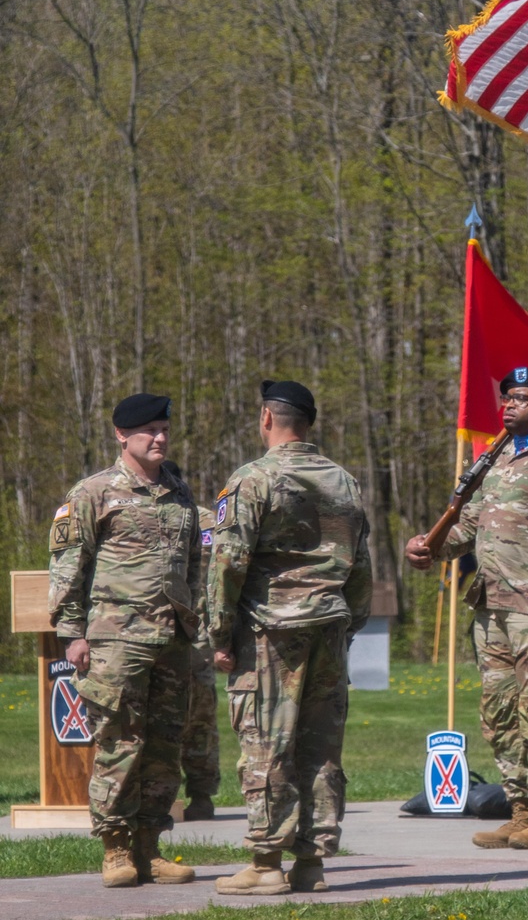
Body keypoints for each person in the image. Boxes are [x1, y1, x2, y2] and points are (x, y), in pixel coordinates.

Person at [405, 366, 528, 851]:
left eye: (522, 398)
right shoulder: (495, 457)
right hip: (492, 606)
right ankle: (521, 806)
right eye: (506, 396)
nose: (509, 405)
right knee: (499, 711)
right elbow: (469, 526)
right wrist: (432, 545)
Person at [208, 380, 372, 895]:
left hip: (272, 631)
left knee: (266, 743)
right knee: (320, 746)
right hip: (330, 624)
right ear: (307, 423)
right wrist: (352, 619)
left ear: (266, 419)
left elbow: (228, 563)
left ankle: (265, 863)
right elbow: (361, 562)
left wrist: (218, 630)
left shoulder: (253, 479)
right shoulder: (343, 481)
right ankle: (313, 863)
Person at [48, 393, 202, 888]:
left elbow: (193, 566)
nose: (159, 438)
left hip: (172, 641)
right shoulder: (94, 493)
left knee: (163, 746)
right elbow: (69, 568)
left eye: (164, 430)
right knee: (119, 742)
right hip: (116, 642)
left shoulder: (180, 492)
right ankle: (115, 847)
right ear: (121, 435)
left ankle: (150, 847)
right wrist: (72, 634)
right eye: (149, 431)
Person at [161, 460, 222, 823]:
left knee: (199, 719)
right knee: (163, 718)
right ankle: (160, 797)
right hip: (157, 634)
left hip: (198, 637)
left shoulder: (206, 520)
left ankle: (201, 794)